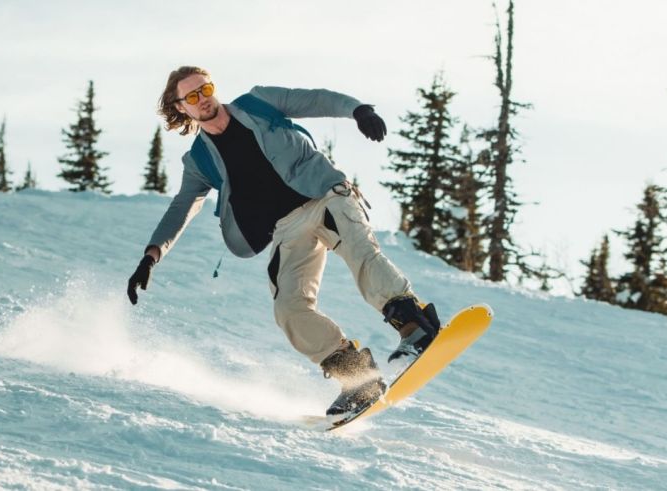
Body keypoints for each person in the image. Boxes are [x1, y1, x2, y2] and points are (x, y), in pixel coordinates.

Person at [127, 66, 441, 417]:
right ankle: (357, 377)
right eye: (193, 97)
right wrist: (151, 255)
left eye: (206, 89)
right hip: (287, 228)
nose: (204, 100)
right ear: (181, 107)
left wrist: (357, 110)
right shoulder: (199, 160)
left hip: (325, 195)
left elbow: (315, 98)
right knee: (289, 308)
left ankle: (416, 327)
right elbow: (181, 208)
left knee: (361, 254)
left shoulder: (258, 102)